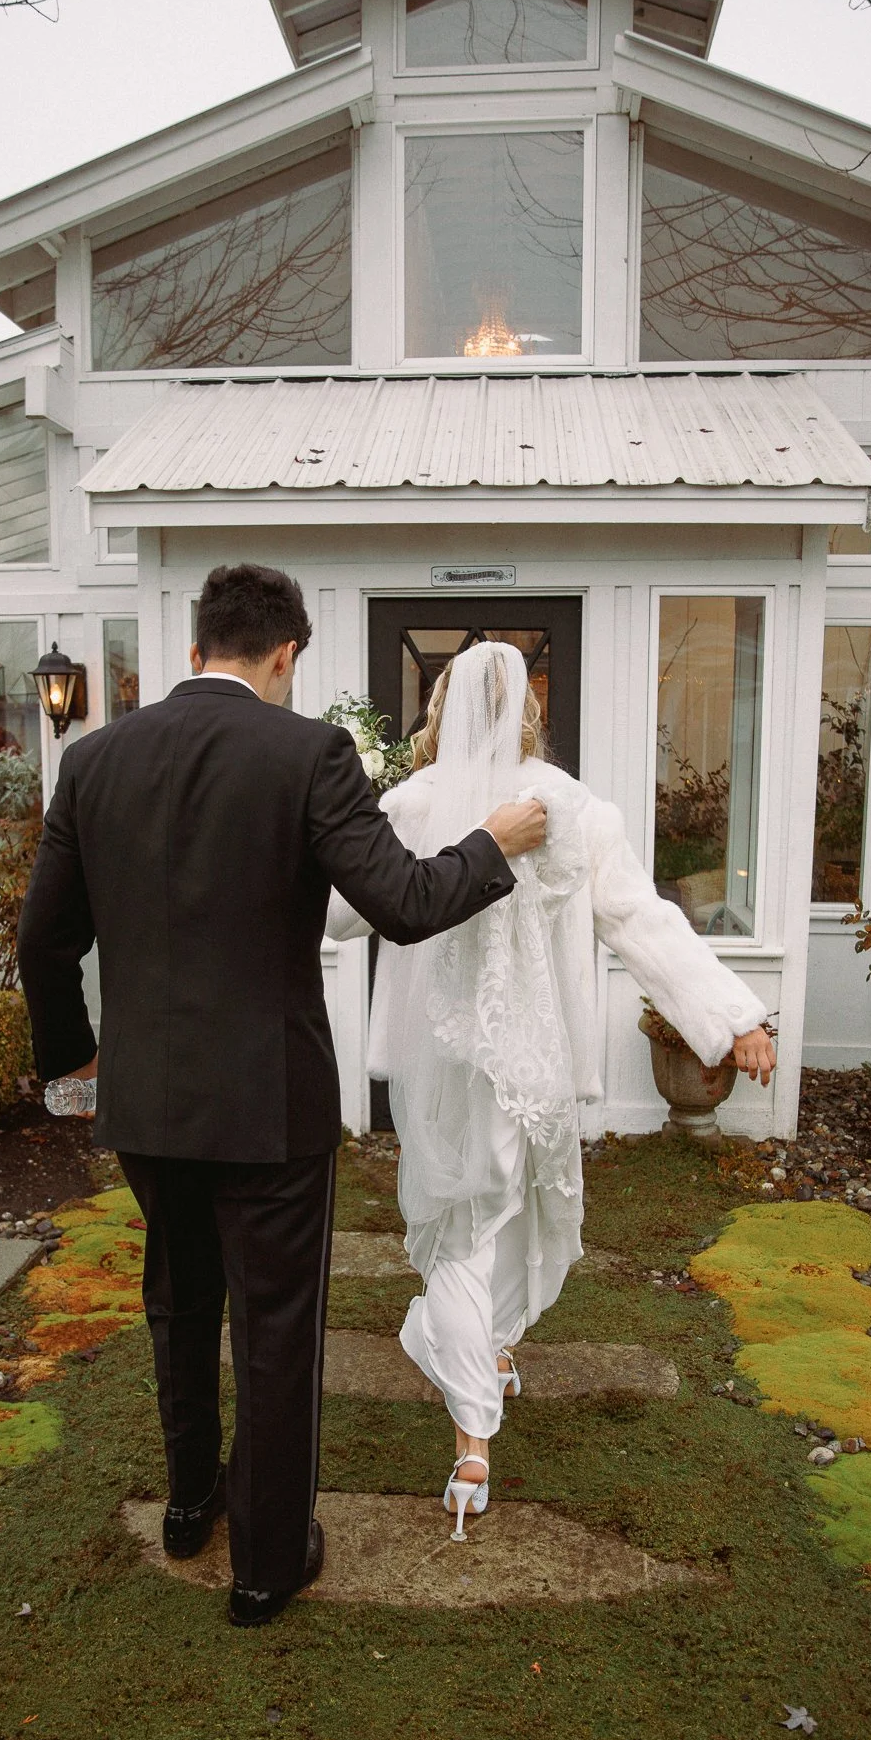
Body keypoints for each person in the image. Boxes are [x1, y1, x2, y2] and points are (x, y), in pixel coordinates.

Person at [16, 566, 547, 1626]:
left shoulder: (92, 758)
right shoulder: (309, 752)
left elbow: (44, 939)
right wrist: (496, 844)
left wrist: (72, 1057)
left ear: (197, 644)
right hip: (271, 1104)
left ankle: (189, 1502)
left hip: (147, 1103)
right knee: (275, 1324)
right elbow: (402, 901)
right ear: (285, 655)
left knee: (178, 1302)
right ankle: (265, 1563)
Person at [327, 642, 776, 1539]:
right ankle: (471, 1438)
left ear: (438, 707)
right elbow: (641, 921)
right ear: (530, 709)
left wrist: (723, 1017)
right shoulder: (565, 807)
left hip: (457, 1064)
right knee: (492, 1219)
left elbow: (336, 911)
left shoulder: (413, 806)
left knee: (474, 1224)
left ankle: (463, 1352)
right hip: (510, 1059)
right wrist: (732, 1021)